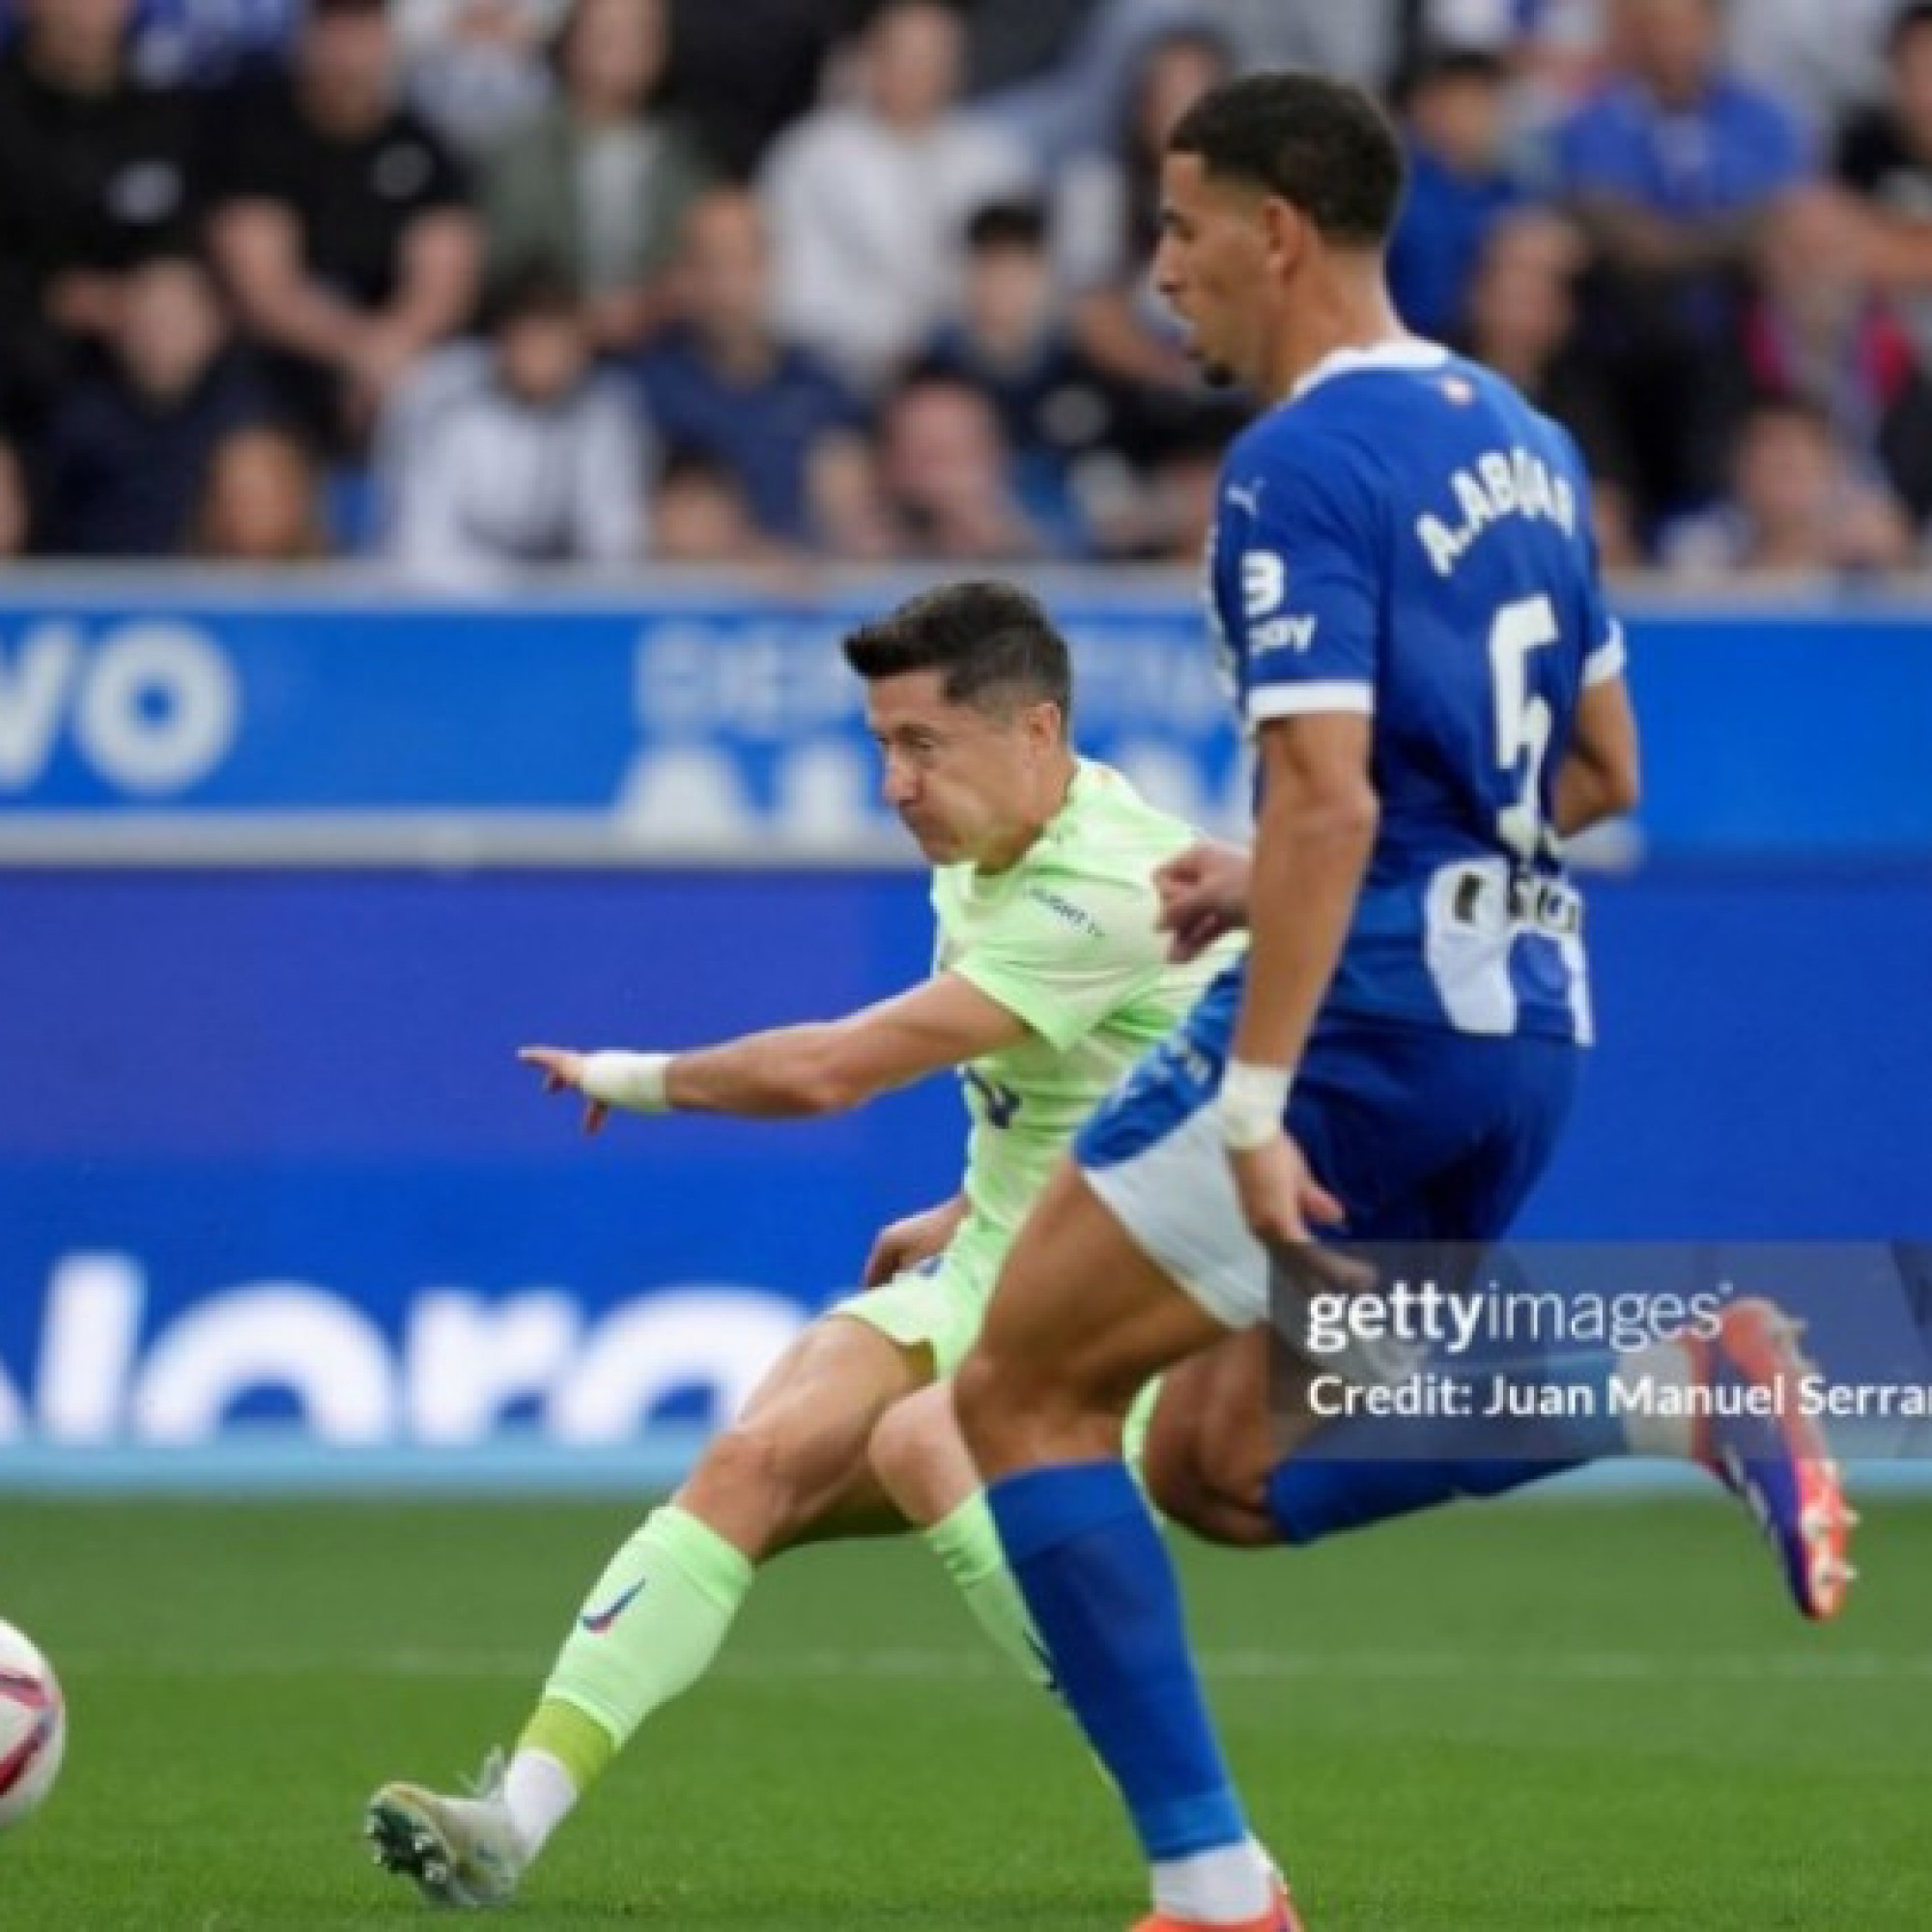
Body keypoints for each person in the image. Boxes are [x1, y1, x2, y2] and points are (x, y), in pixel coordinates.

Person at [947, 71, 1851, 1932]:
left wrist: (1262, 1092)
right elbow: (1601, 769)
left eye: (1183, 227)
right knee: (1221, 1463)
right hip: (1520, 1030)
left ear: (1278, 230)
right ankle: (1683, 1389)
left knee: (1020, 1391)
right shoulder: (1520, 437)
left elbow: (1335, 793)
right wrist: (1260, 876)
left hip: (1359, 1029)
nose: (1162, 269)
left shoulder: (1294, 465)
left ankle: (1212, 1894)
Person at [362, 577, 1242, 1908]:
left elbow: (834, 1071)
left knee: (927, 1437)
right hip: (1005, 1262)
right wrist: (968, 1210)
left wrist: (633, 1075)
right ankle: (511, 1822)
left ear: (1035, 731)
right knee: (753, 1457)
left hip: (1126, 1310)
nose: (893, 784)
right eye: (881, 746)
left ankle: (1222, 1869)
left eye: (921, 747)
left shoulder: (1112, 888)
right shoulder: (992, 852)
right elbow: (1119, 1084)